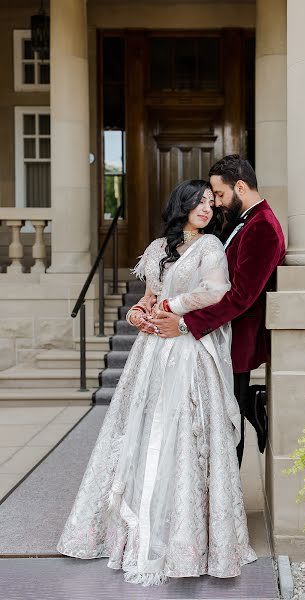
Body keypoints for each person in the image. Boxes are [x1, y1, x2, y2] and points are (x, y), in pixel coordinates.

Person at [57, 179, 257, 586]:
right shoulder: (157, 248)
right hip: (151, 352)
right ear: (180, 205)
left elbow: (217, 291)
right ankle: (128, 532)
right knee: (139, 433)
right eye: (198, 202)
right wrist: (138, 314)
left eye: (209, 203)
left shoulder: (210, 247)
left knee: (183, 436)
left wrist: (174, 310)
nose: (206, 209)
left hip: (186, 349)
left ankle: (185, 539)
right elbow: (147, 298)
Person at [151, 155, 286, 466]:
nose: (218, 205)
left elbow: (241, 297)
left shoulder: (263, 227)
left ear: (240, 187)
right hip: (219, 336)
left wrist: (185, 324)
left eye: (221, 195)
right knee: (213, 422)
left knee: (228, 425)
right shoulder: (244, 222)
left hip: (237, 342)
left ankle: (227, 504)